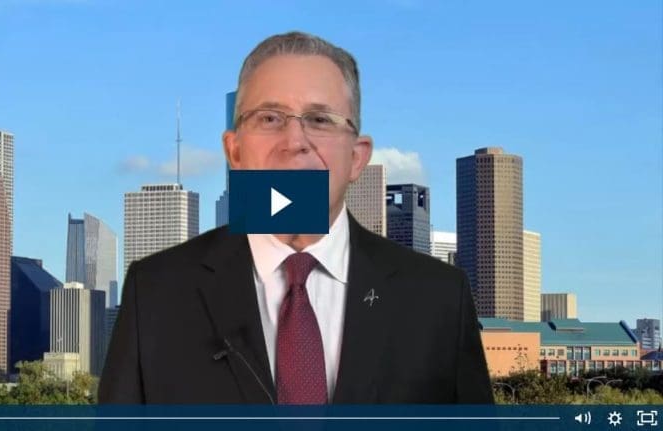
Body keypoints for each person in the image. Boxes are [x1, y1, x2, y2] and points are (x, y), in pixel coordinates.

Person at [99, 31, 493, 404]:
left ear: (357, 157)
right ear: (234, 151)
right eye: (270, 118)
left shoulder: (439, 299)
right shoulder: (155, 294)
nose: (294, 142)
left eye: (320, 119)